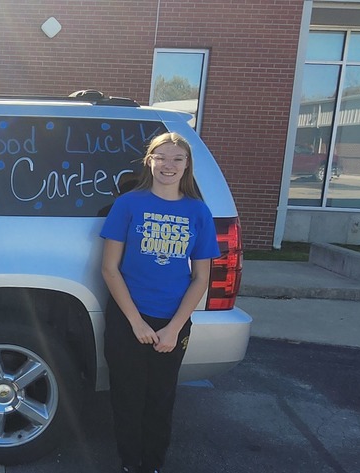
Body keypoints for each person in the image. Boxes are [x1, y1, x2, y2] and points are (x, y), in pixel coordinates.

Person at [99, 132, 220, 473]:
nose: (169, 165)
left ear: (186, 165)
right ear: (149, 160)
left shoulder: (198, 211)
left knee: (160, 401)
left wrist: (173, 329)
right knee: (127, 398)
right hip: (128, 319)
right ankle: (129, 464)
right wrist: (136, 323)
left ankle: (152, 465)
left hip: (173, 322)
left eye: (177, 159)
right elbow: (109, 269)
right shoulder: (128, 205)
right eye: (162, 157)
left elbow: (201, 278)